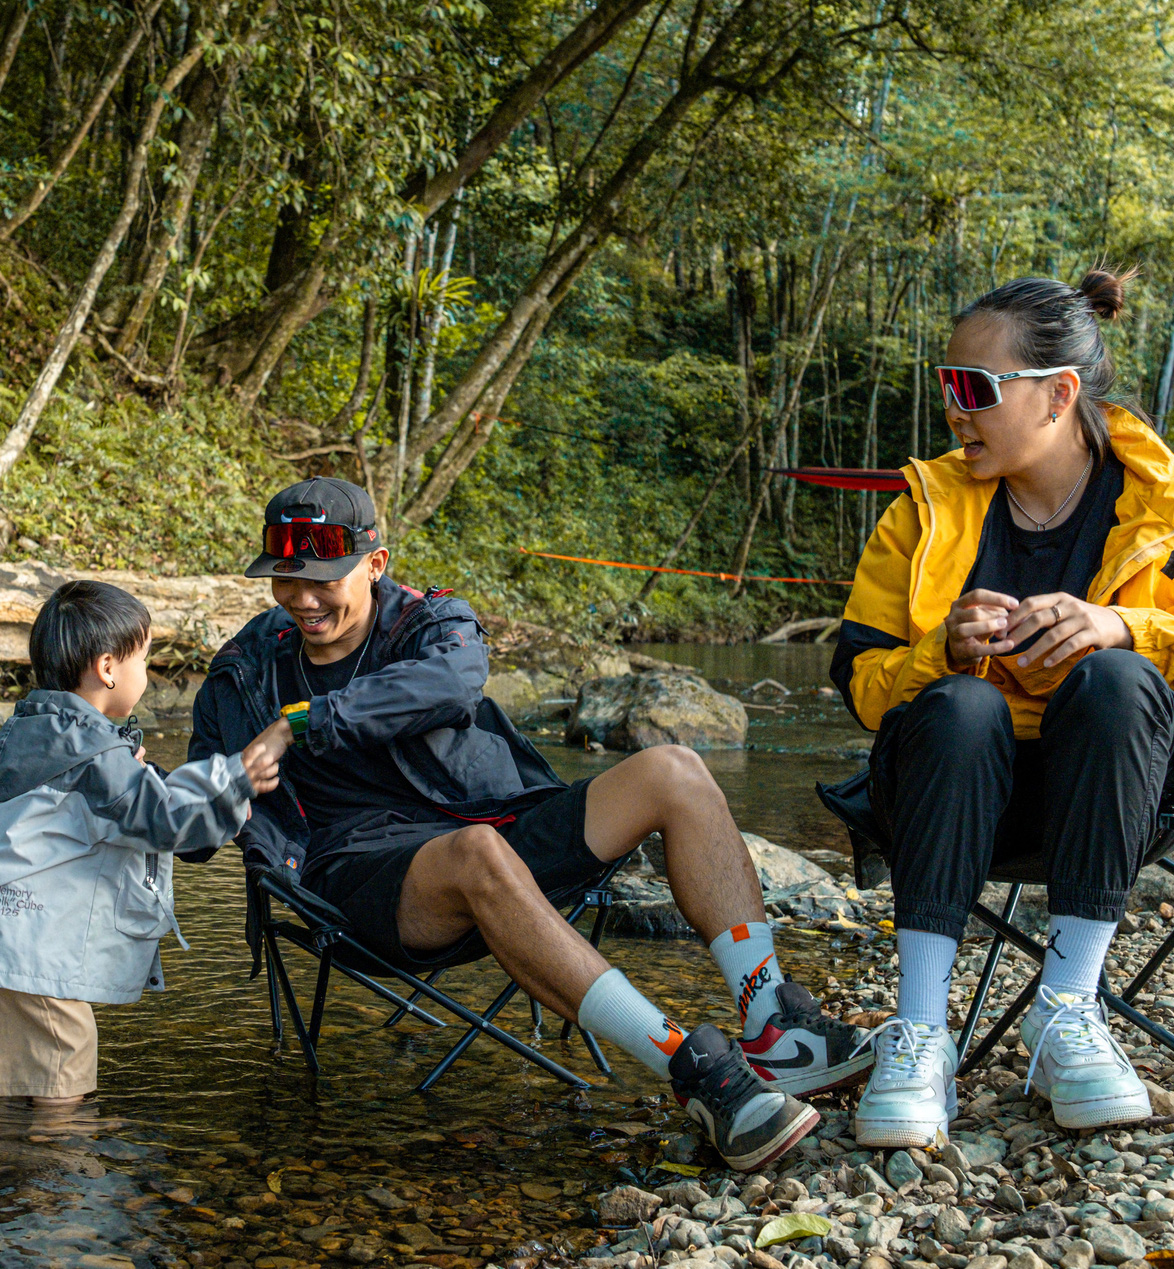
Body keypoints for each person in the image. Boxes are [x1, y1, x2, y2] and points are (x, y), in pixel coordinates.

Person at [189, 477, 874, 1171]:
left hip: (494, 823)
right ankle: (689, 1068)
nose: (303, 598)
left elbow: (454, 681)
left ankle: (771, 1023)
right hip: (357, 880)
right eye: (285, 577)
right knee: (476, 853)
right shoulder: (245, 671)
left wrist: (303, 723)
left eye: (323, 578)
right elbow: (193, 829)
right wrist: (168, 788)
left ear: (376, 562)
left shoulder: (430, 621)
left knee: (677, 770)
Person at [834, 269, 1174, 1146]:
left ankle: (1065, 1013)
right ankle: (920, 1031)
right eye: (947, 388)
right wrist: (942, 648)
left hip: (1119, 799)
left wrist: (1130, 627)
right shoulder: (924, 509)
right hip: (954, 794)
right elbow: (860, 682)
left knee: (1115, 679)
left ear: (1058, 395)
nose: (954, 412)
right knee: (964, 703)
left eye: (974, 389)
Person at [0, 580, 288, 1103]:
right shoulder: (93, 754)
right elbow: (162, 820)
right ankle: (63, 1178)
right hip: (33, 964)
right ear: (108, 669)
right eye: (144, 662)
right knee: (64, 1093)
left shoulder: (37, 732)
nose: (146, 677)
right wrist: (235, 777)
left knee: (9, 1095)